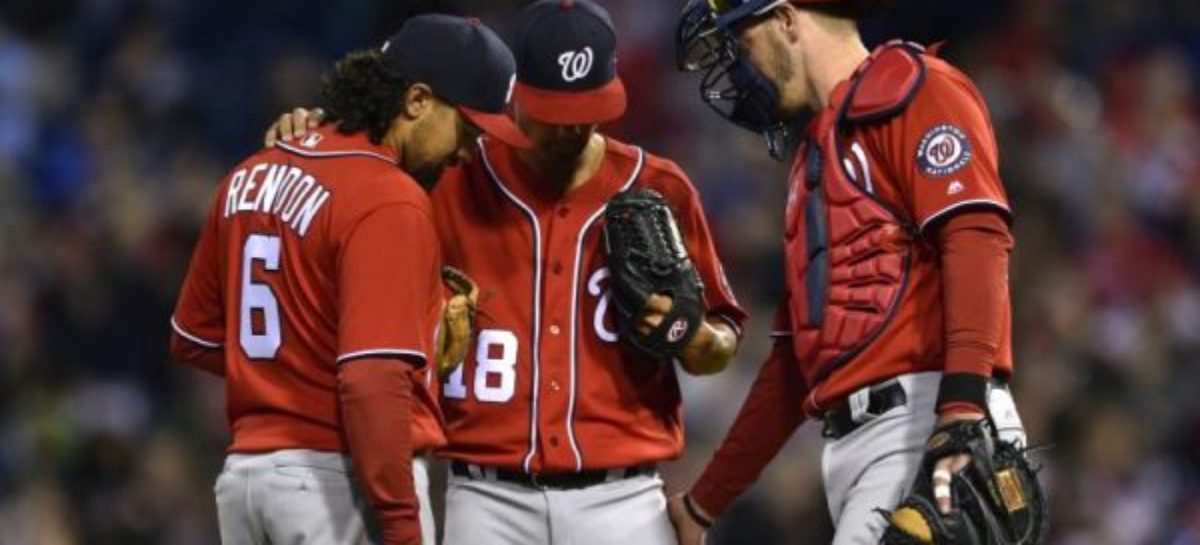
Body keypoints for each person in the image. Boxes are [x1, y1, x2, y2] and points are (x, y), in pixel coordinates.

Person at [267, 2, 747, 544]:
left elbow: (720, 345)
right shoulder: (449, 173)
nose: (570, 131)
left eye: (587, 110)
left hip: (625, 499)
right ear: (516, 93)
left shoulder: (661, 185)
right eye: (554, 113)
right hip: (486, 497)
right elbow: (355, 167)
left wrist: (695, 336)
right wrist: (310, 138)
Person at [667, 1, 1030, 543]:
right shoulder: (814, 160)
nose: (741, 70)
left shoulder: (916, 89)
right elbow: (794, 362)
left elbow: (975, 240)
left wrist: (960, 410)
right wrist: (703, 504)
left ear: (787, 20)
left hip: (927, 425)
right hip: (855, 449)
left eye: (742, 45)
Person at [169, 15, 529, 545]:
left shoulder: (249, 173)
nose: (467, 153)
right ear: (417, 101)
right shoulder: (388, 198)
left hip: (245, 485)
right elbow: (371, 380)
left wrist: (294, 366)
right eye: (468, 129)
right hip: (338, 486)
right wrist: (403, 527)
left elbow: (195, 338)